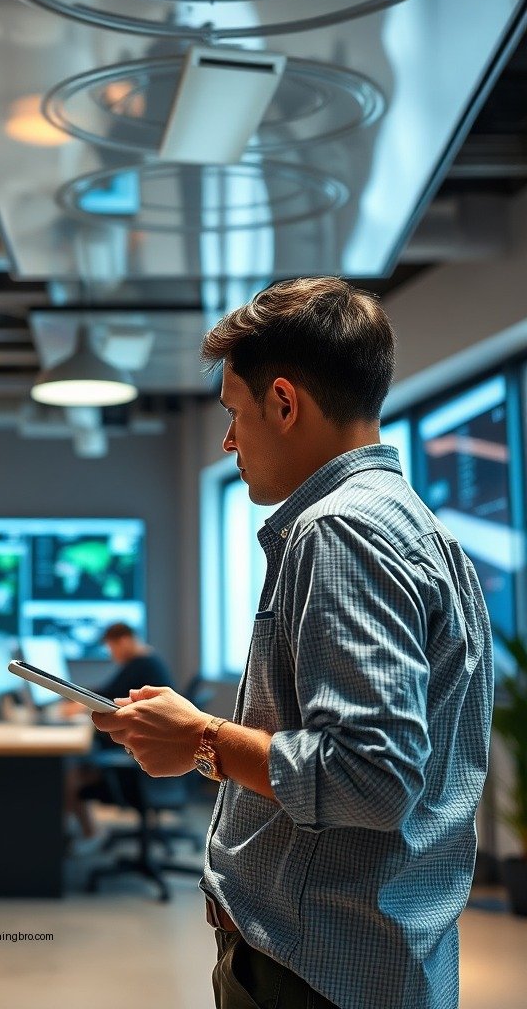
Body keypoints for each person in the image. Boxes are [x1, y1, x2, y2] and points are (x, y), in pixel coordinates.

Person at [93, 277, 492, 1009]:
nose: (228, 440)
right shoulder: (423, 532)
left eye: (234, 414)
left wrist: (203, 739)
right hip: (378, 957)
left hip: (313, 972)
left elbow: (370, 776)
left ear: (283, 402)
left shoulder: (338, 530)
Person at [65, 622, 175, 843]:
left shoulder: (141, 664)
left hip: (140, 760)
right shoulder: (148, 662)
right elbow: (110, 692)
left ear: (124, 641)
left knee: (72, 771)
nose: (111, 654)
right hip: (152, 749)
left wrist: (76, 704)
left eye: (111, 648)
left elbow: (109, 697)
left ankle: (89, 833)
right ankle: (82, 830)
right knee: (84, 755)